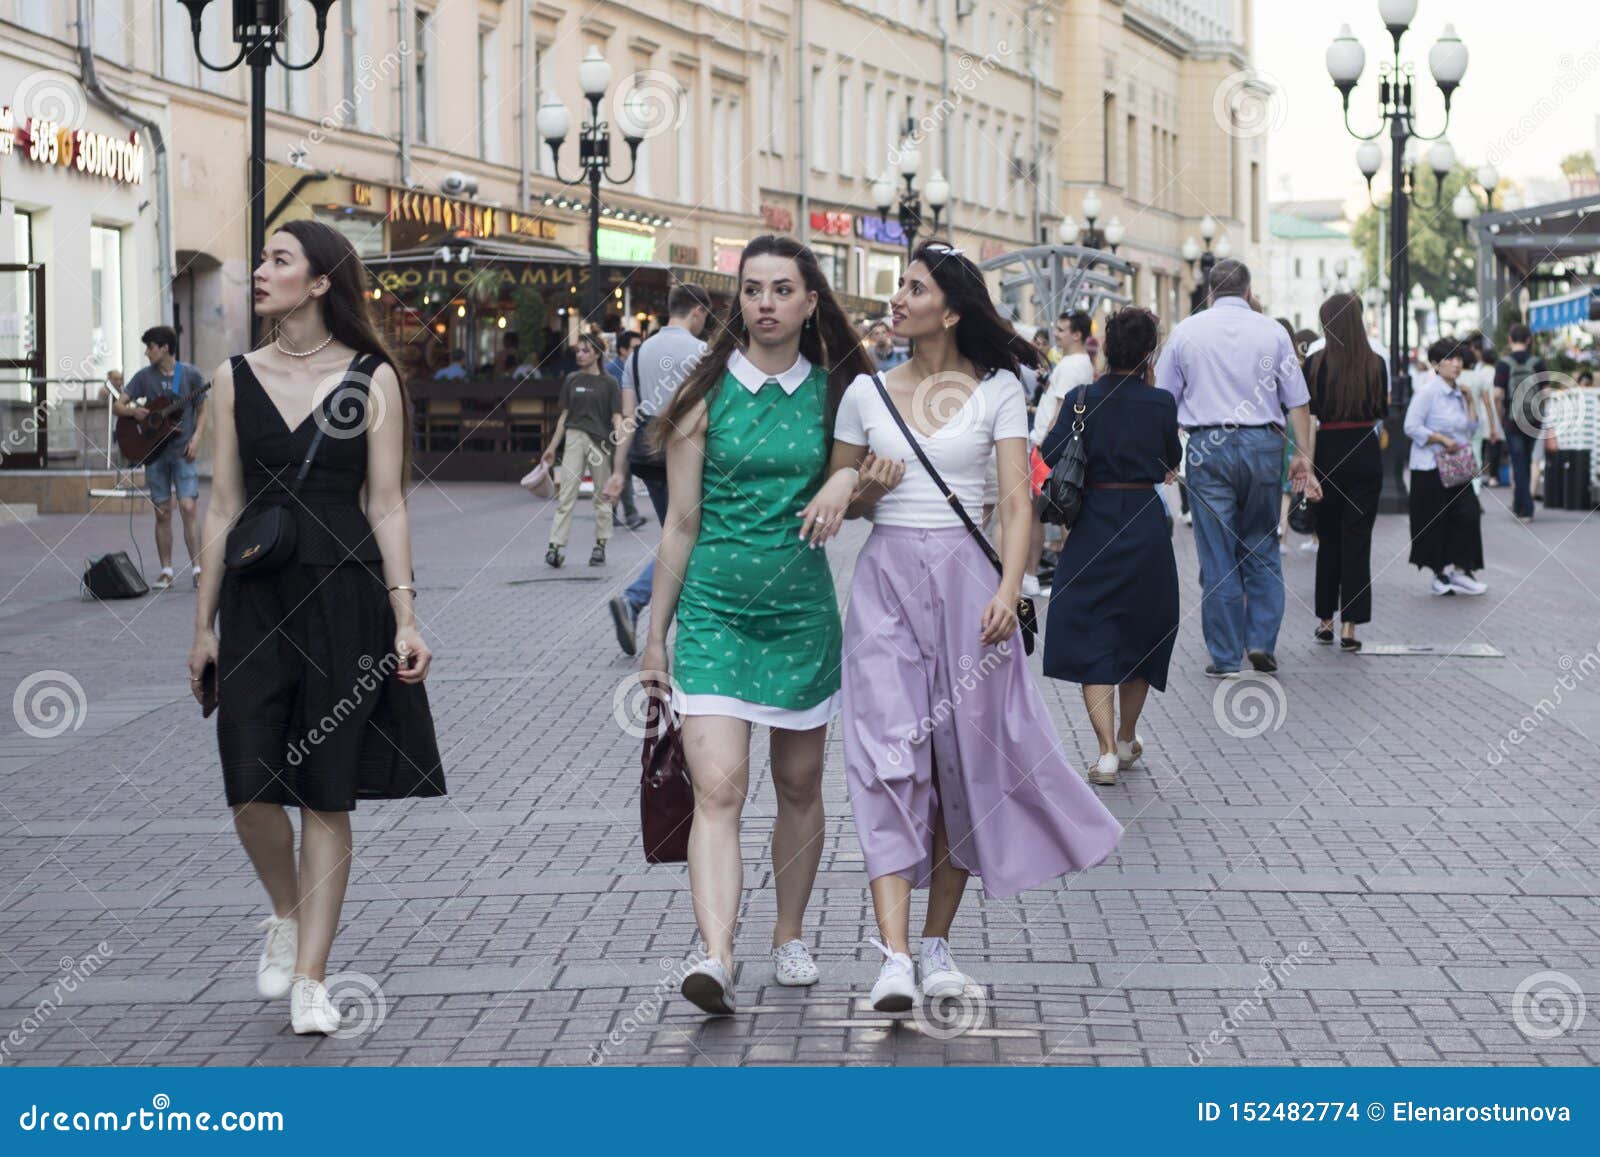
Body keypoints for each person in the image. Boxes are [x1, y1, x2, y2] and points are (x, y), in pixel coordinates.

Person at [824, 241, 1121, 1010]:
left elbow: (1017, 500)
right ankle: (891, 956)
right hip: (886, 581)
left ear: (950, 311)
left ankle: (935, 944)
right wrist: (862, 489)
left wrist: (1009, 585)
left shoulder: (999, 391)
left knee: (964, 766)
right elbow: (841, 495)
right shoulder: (865, 393)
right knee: (888, 759)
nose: (897, 300)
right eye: (899, 289)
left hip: (969, 584)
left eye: (913, 289)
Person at [188, 219, 444, 1035]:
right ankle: (285, 908)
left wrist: (406, 615)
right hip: (257, 600)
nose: (260, 272)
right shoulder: (233, 378)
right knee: (250, 789)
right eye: (261, 260)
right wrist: (203, 625)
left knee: (327, 792)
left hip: (345, 596)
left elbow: (386, 502)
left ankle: (311, 979)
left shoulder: (371, 379)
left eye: (278, 260)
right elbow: (222, 504)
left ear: (322, 280)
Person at [641, 236, 873, 1016]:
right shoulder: (701, 397)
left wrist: (851, 479)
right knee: (718, 785)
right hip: (712, 611)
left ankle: (789, 932)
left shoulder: (841, 397)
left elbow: (874, 490)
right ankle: (716, 952)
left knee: (800, 784)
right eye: (751, 290)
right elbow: (679, 522)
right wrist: (654, 635)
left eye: (782, 289)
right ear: (734, 301)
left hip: (801, 614)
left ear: (811, 303)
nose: (765, 303)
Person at [1153, 259, 1320, 677]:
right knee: (1262, 543)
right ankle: (1261, 640)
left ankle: (1226, 657)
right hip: (1264, 443)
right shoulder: (1273, 331)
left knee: (1217, 551)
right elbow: (1298, 401)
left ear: (1210, 292)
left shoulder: (1186, 332)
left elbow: (1163, 403)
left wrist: (1164, 455)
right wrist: (1304, 457)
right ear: (1248, 292)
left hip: (1208, 447)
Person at [1040, 307, 1180, 786]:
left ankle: (1102, 753)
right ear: (1147, 352)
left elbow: (1050, 452)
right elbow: (1170, 460)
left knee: (1091, 628)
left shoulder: (1081, 398)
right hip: (1143, 523)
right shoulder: (1160, 402)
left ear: (1105, 345)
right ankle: (1126, 736)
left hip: (1093, 525)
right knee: (1141, 630)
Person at [607, 283, 714, 655]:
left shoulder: (637, 356)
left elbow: (627, 419)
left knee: (678, 532)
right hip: (687, 451)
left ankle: (648, 607)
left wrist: (618, 472)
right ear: (698, 311)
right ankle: (636, 600)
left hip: (645, 458)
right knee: (688, 535)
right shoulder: (703, 352)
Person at [1304, 293, 1388, 651]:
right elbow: (1382, 409)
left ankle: (1325, 620)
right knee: (1358, 538)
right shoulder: (1376, 363)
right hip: (1365, 450)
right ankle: (1350, 626)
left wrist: (1307, 463)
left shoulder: (1316, 363)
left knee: (1329, 539)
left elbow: (1308, 414)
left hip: (1328, 449)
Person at [109, 325, 210, 591]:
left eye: (149, 347)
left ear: (164, 348)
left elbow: (202, 410)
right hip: (153, 453)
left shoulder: (189, 375)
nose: (146, 352)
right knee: (162, 512)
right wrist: (135, 413)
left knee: (188, 507)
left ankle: (198, 569)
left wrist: (197, 438)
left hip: (183, 452)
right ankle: (166, 570)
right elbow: (119, 405)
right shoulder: (144, 377)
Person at [1405, 338, 1486, 596]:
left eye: (1460, 359)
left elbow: (1471, 429)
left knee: (1468, 514)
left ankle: (1463, 570)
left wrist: (1471, 402)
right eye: (1450, 359)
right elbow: (1411, 426)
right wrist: (1440, 438)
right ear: (1435, 365)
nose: (1456, 364)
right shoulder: (1428, 392)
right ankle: (1439, 574)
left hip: (1457, 466)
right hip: (1430, 466)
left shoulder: (1460, 393)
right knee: (1435, 521)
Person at [540, 333, 625, 568]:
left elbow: (616, 416)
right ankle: (554, 547)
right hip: (574, 438)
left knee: (602, 495)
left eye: (586, 350)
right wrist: (551, 447)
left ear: (597, 353)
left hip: (600, 441)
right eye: (578, 350)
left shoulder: (609, 383)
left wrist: (621, 441)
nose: (580, 354)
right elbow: (564, 416)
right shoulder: (571, 379)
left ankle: (600, 545)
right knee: (566, 494)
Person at [1494, 324, 1547, 522]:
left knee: (1518, 462)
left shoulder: (1503, 363)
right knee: (1526, 460)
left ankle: (1526, 509)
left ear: (1509, 339)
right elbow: (1546, 392)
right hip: (1533, 420)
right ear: (1528, 340)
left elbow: (1498, 394)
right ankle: (1519, 504)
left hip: (1512, 419)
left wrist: (1500, 416)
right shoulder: (1537, 362)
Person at [605, 330, 648, 531]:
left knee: (621, 468)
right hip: (613, 426)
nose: (639, 351)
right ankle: (628, 515)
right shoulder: (613, 370)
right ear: (622, 350)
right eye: (635, 347)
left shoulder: (635, 367)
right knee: (620, 469)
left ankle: (615, 514)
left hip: (627, 424)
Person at [1459, 333, 1502, 492]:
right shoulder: (1478, 378)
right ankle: (1475, 489)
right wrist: (1492, 426)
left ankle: (1460, 486)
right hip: (1476, 421)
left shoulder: (1455, 379)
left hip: (1458, 422)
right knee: (1476, 454)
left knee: (1459, 453)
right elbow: (1487, 403)